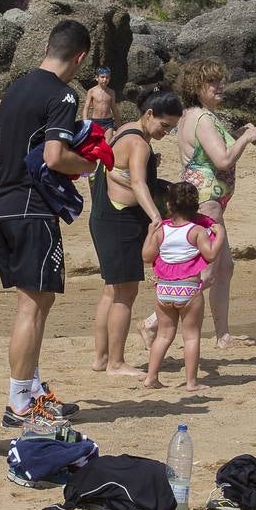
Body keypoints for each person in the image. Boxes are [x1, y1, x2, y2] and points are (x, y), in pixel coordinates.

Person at [0, 20, 96, 427]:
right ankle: (18, 402)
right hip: (31, 208)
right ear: (80, 57)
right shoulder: (64, 95)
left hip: (2, 204)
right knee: (31, 306)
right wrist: (88, 164)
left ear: (48, 46)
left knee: (39, 302)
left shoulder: (16, 88)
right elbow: (54, 156)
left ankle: (31, 390)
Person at [142, 59, 256, 350]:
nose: (220, 86)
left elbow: (217, 155)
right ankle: (152, 322)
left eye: (221, 80)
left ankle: (223, 336)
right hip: (206, 200)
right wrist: (245, 138)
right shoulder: (203, 119)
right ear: (197, 86)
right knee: (208, 271)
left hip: (207, 198)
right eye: (212, 82)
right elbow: (222, 160)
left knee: (224, 268)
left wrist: (243, 138)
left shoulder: (192, 115)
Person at [89, 88, 182, 376]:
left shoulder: (124, 129)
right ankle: (116, 363)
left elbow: (115, 170)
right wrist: (156, 216)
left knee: (111, 291)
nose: (166, 132)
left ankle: (101, 359)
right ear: (149, 114)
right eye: (164, 125)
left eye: (172, 128)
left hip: (104, 215)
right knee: (125, 294)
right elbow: (140, 183)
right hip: (121, 221)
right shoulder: (139, 143)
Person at [142, 182, 225, 391]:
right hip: (188, 289)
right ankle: (191, 382)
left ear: (169, 206)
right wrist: (220, 234)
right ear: (196, 206)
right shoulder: (197, 231)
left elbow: (146, 256)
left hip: (164, 289)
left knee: (163, 335)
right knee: (191, 336)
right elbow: (211, 254)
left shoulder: (162, 231)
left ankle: (151, 378)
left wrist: (150, 232)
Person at [81, 66, 118, 134]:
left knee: (108, 143)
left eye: (107, 77)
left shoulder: (111, 92)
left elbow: (114, 108)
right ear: (97, 78)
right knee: (96, 143)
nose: (105, 79)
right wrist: (85, 121)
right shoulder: (92, 91)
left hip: (108, 121)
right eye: (102, 77)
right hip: (95, 121)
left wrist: (119, 124)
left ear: (110, 78)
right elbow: (86, 107)